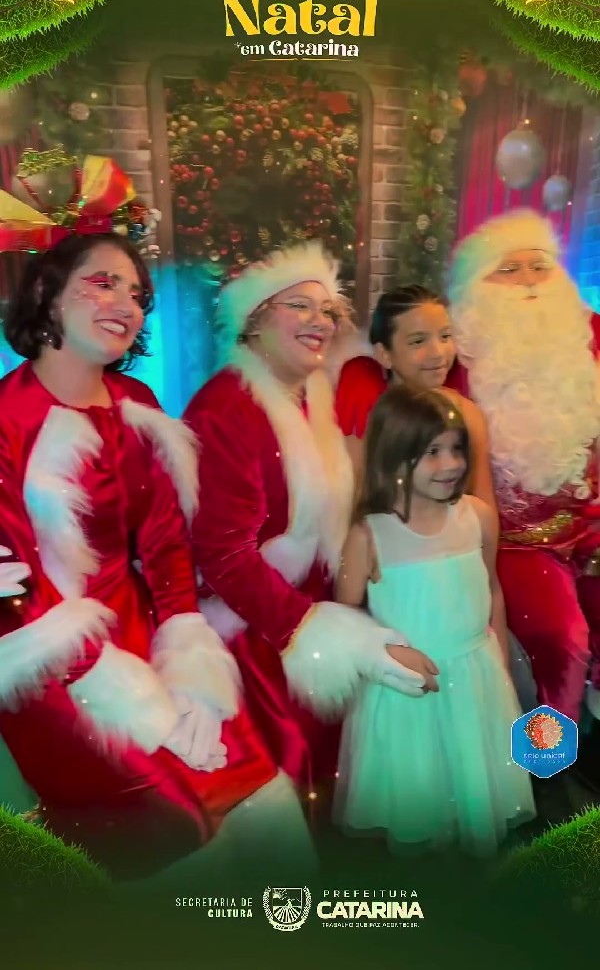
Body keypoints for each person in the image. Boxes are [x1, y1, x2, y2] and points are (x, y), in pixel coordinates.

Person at [0, 232, 313, 881]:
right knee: (177, 818)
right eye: (103, 282)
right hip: (45, 661)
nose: (127, 304)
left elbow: (167, 544)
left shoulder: (138, 406)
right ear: (47, 293)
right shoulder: (8, 418)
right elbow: (13, 590)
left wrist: (189, 656)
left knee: (256, 786)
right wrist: (134, 702)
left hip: (144, 631)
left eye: (137, 294)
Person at [183, 243, 433, 804]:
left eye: (327, 311)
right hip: (256, 631)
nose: (320, 321)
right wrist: (319, 628)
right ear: (254, 322)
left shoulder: (314, 396)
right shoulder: (225, 408)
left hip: (315, 608)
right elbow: (224, 558)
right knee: (291, 769)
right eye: (300, 305)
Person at [333, 385, 535, 856]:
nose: (451, 464)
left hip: (476, 682)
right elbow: (345, 619)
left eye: (456, 449)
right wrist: (385, 651)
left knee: (476, 796)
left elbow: (492, 587)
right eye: (431, 452)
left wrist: (499, 663)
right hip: (409, 695)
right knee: (422, 813)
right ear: (394, 455)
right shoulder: (369, 536)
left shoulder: (478, 517)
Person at [447, 208, 600, 782]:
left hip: (591, 528)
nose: (530, 280)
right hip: (515, 542)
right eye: (509, 269)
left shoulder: (588, 338)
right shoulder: (457, 359)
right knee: (563, 637)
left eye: (540, 266)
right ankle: (544, 765)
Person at [334, 285, 495, 507]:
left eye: (445, 336)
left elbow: (483, 504)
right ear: (384, 354)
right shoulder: (365, 413)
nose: (438, 353)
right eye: (418, 341)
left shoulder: (467, 414)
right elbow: (351, 502)